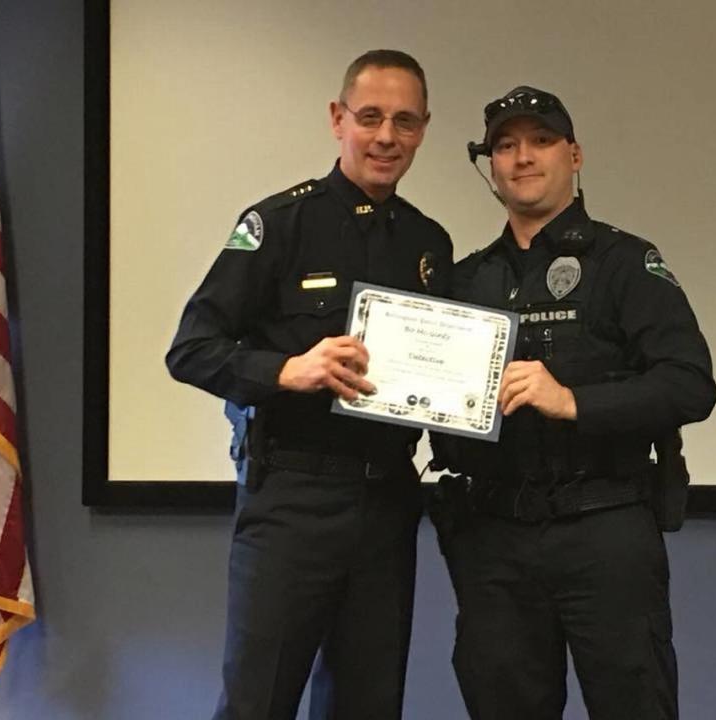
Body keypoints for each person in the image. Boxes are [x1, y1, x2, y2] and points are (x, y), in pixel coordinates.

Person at [166, 50, 452, 720]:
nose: (386, 136)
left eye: (405, 122)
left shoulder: (428, 243)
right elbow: (192, 349)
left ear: (424, 129)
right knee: (258, 702)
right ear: (337, 119)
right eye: (371, 117)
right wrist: (284, 371)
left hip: (386, 503)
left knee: (369, 704)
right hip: (292, 501)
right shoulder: (278, 225)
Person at [430, 86, 716, 719]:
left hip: (603, 530)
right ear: (491, 165)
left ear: (575, 154)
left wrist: (574, 403)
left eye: (539, 141)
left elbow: (690, 383)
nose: (521, 158)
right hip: (494, 536)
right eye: (504, 146)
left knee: (633, 704)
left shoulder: (626, 264)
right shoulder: (465, 279)